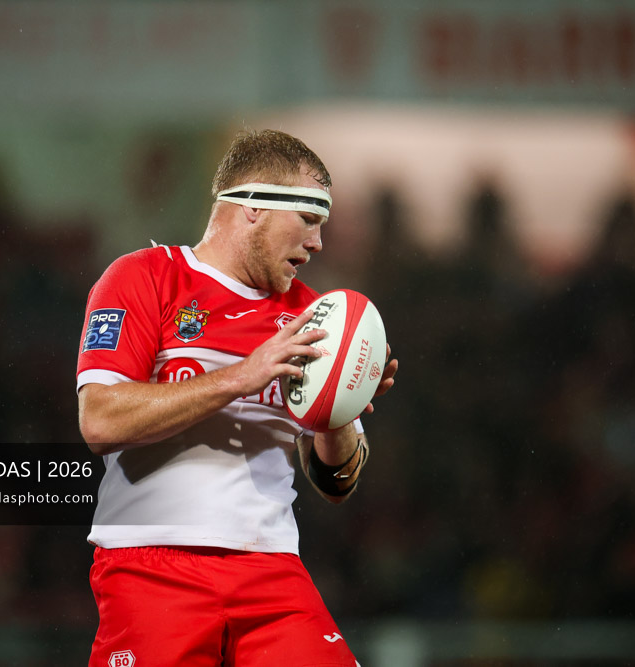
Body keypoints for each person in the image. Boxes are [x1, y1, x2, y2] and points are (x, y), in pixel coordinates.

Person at [76, 129, 397, 667]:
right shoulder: (145, 277)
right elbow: (100, 421)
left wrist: (338, 409)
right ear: (252, 206)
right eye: (308, 218)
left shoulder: (317, 316)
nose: (317, 242)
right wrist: (238, 377)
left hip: (270, 566)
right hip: (153, 560)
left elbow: (337, 484)